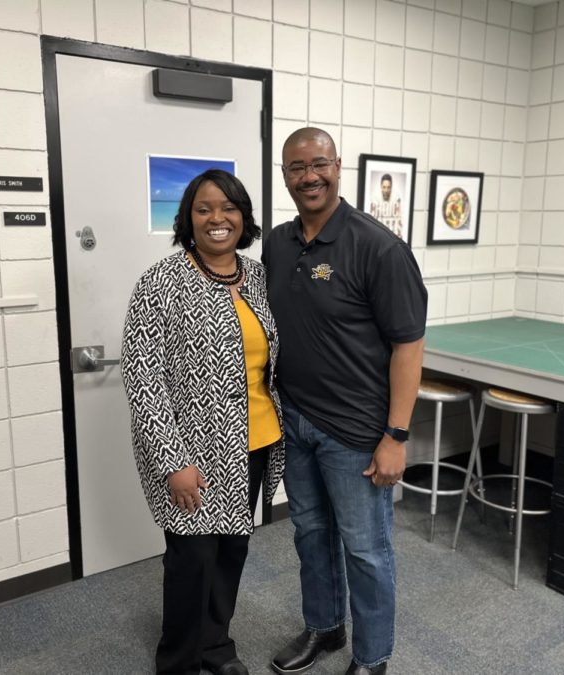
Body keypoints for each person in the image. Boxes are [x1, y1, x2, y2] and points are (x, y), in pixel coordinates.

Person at [263, 128, 427, 675]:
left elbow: (408, 346)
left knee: (365, 549)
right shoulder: (278, 244)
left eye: (319, 164)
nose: (308, 176)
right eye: (295, 167)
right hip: (296, 420)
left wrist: (396, 436)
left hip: (355, 433)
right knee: (310, 533)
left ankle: (372, 656)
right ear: (284, 175)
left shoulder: (378, 247)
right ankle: (325, 627)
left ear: (338, 168)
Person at [121, 168, 284, 675]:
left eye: (229, 208)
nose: (218, 218)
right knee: (191, 560)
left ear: (244, 218)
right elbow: (142, 378)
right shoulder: (162, 281)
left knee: (232, 553)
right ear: (188, 220)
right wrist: (172, 462)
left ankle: (216, 647)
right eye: (204, 209)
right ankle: (179, 662)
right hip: (192, 456)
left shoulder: (256, 276)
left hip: (254, 443)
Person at [369, 173, 403, 239]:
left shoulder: (396, 200)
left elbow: (399, 222)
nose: (386, 190)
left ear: (391, 188)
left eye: (388, 187)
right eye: (384, 187)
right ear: (381, 187)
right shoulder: (375, 199)